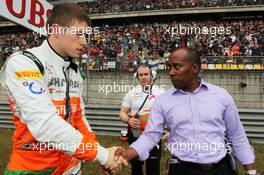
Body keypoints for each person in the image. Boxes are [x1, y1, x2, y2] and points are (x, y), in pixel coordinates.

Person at [0, 3, 126, 175]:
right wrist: (103, 155)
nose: (85, 42)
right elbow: (45, 124)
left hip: (71, 167)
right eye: (79, 34)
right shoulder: (24, 62)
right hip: (33, 169)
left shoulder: (75, 70)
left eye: (87, 36)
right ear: (56, 30)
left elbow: (79, 118)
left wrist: (97, 152)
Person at [116, 48, 258, 175]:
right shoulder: (162, 101)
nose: (171, 72)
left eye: (177, 66)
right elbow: (150, 137)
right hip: (181, 169)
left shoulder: (221, 96)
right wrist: (126, 155)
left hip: (221, 169)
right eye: (169, 66)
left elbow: (237, 136)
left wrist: (250, 170)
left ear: (195, 68)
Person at [119, 63, 164, 175]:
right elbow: (122, 113)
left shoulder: (161, 93)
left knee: (153, 168)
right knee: (136, 168)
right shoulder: (131, 94)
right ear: (137, 76)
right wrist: (129, 120)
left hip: (153, 135)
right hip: (136, 134)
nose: (143, 77)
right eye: (141, 75)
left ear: (152, 75)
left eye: (146, 74)